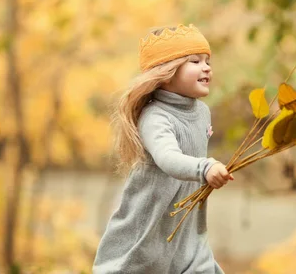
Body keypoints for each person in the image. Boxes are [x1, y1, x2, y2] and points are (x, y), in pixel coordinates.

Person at [93, 24, 233, 274]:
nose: (207, 67)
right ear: (167, 73)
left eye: (207, 60)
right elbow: (168, 158)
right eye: (195, 61)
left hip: (186, 223)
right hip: (151, 222)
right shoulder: (155, 117)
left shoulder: (202, 112)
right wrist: (205, 167)